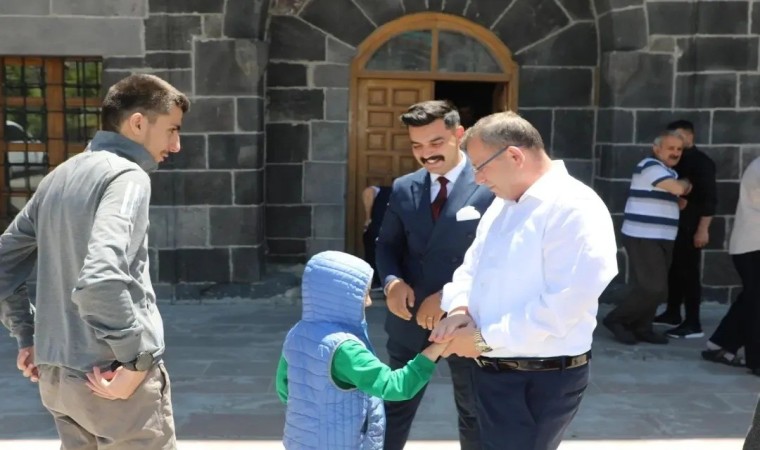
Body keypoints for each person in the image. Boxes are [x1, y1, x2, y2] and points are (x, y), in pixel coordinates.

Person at [0, 74, 188, 449]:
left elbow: (3, 264)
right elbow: (101, 279)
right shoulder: (128, 177)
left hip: (60, 382)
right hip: (112, 381)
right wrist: (135, 360)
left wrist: (29, 336)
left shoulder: (58, 176)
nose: (176, 145)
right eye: (172, 129)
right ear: (138, 123)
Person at [429, 111, 618, 450]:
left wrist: (484, 339)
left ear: (514, 156)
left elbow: (566, 303)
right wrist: (459, 309)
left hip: (537, 378)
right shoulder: (503, 204)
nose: (477, 179)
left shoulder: (574, 206)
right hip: (489, 369)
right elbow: (472, 267)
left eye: (481, 167)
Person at [375, 100, 494, 450]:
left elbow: (498, 258)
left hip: (468, 319)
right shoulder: (403, 187)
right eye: (417, 145)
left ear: (459, 135)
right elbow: (386, 245)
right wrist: (392, 282)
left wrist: (446, 297)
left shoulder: (489, 184)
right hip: (409, 321)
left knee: (474, 411)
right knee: (394, 407)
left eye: (436, 142)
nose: (426, 154)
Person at [276, 251, 449, 450]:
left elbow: (284, 389)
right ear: (343, 297)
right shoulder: (346, 350)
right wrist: (436, 349)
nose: (369, 302)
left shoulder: (297, 333)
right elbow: (395, 386)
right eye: (364, 294)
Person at [604, 130, 691, 345]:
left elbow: (673, 195)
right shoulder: (650, 166)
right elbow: (678, 188)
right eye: (670, 148)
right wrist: (686, 184)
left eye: (679, 149)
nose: (675, 153)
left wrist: (676, 198)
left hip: (662, 236)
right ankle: (617, 320)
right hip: (644, 236)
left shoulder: (667, 172)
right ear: (656, 149)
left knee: (652, 287)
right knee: (653, 287)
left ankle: (642, 327)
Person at [654, 120, 717, 339]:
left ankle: (693, 323)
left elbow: (710, 199)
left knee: (689, 273)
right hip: (676, 224)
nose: (676, 142)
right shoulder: (675, 161)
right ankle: (673, 313)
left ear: (690, 136)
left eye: (680, 136)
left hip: (691, 225)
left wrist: (703, 229)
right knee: (675, 271)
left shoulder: (702, 163)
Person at [701, 155, 760, 374]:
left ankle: (720, 345)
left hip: (751, 244)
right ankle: (756, 360)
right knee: (756, 303)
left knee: (751, 300)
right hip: (753, 244)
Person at [362, 184, 392, 289]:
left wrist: (367, 219)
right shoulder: (384, 191)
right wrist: (368, 218)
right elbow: (369, 192)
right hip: (379, 230)